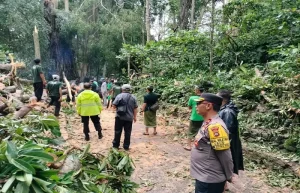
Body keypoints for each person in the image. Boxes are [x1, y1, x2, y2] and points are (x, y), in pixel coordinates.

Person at [191, 93, 233, 193]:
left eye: (199, 103)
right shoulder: (208, 122)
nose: (196, 106)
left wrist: (229, 176)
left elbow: (225, 156)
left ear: (208, 106)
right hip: (204, 176)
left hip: (209, 180)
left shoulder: (216, 127)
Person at [218, 90, 244, 175]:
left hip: (227, 142)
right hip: (228, 141)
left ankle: (223, 183)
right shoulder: (224, 109)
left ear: (222, 100)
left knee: (223, 162)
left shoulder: (227, 112)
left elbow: (226, 130)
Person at [112, 84, 138, 150]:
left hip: (119, 117)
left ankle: (115, 145)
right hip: (129, 118)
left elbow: (114, 106)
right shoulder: (133, 97)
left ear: (122, 89)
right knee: (128, 132)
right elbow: (135, 108)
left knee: (117, 131)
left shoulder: (119, 96)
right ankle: (126, 146)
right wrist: (134, 117)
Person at [184, 86, 204, 151]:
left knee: (190, 132)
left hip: (194, 118)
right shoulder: (205, 98)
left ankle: (189, 146)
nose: (195, 90)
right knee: (200, 132)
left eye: (195, 90)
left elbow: (189, 107)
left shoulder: (192, 98)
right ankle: (199, 146)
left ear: (198, 90)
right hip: (202, 118)